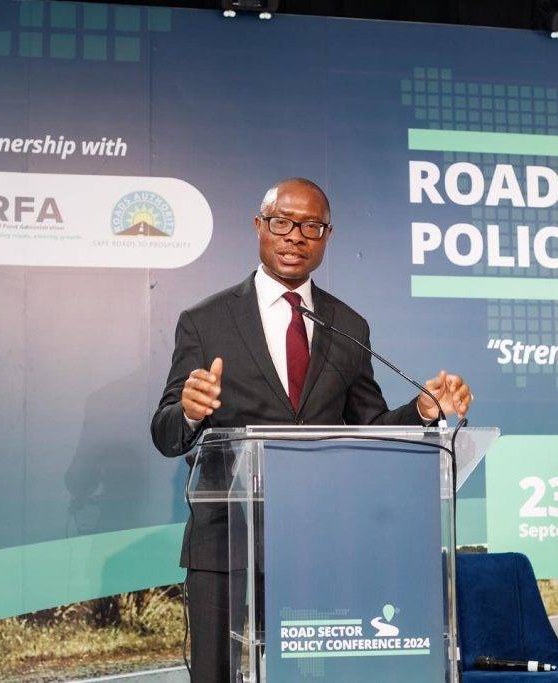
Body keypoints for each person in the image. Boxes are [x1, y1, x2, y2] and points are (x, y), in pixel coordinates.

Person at [150, 177, 472, 682]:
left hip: (320, 545)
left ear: (327, 236)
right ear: (260, 226)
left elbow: (372, 428)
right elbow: (165, 433)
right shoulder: (205, 321)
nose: (295, 237)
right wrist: (190, 411)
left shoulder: (348, 325)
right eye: (282, 222)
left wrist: (423, 410)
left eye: (311, 227)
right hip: (227, 545)